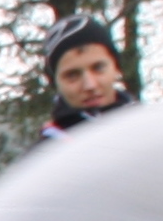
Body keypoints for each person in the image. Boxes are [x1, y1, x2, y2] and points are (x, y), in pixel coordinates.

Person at [35, 11, 138, 143]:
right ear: (55, 82)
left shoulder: (150, 128)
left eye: (98, 68)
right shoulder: (48, 151)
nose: (90, 85)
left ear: (116, 67)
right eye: (72, 75)